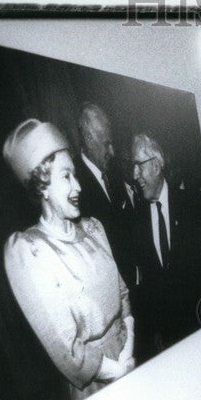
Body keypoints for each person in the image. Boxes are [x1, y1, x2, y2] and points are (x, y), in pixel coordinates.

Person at [2, 119, 135, 400]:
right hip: (97, 385)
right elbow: (67, 349)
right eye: (66, 176)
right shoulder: (30, 252)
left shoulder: (94, 230)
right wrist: (117, 370)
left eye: (75, 175)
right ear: (42, 186)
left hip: (129, 360)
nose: (77, 186)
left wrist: (129, 350)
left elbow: (123, 293)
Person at [129, 132, 201, 360]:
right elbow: (145, 285)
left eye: (139, 165)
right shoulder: (135, 219)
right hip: (166, 342)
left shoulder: (192, 204)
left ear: (157, 165)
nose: (135, 175)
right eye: (133, 167)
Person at [75, 103, 137, 288]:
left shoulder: (114, 169)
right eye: (106, 144)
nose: (112, 151)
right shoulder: (74, 183)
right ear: (88, 139)